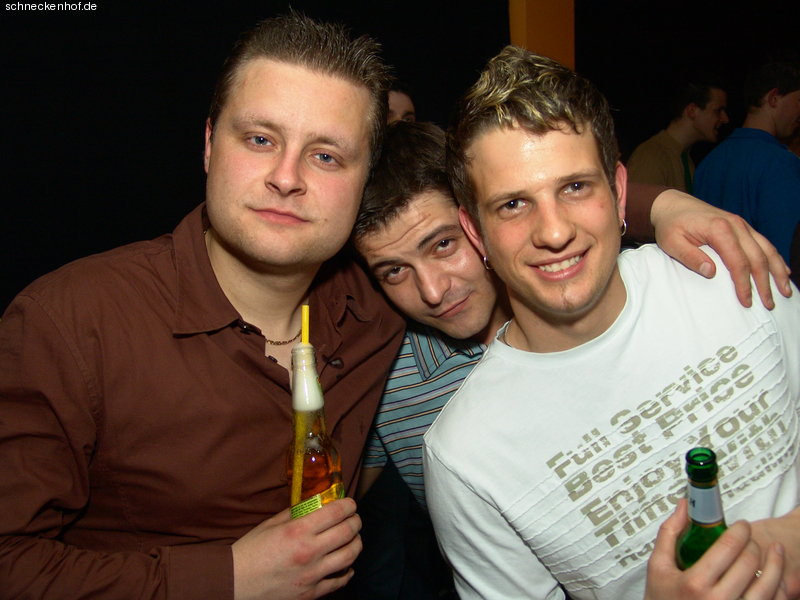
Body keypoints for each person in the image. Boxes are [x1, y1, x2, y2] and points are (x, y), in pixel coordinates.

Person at [0, 13, 407, 600]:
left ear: (365, 181)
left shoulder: (385, 308)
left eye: (326, 156)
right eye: (260, 140)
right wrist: (229, 578)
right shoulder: (72, 322)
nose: (286, 178)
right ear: (211, 145)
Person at [422, 46, 800, 600]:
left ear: (619, 191)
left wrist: (787, 543)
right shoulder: (466, 455)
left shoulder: (731, 277)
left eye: (575, 187)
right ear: (475, 232)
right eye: (513, 205)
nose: (554, 232)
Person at [694, 61, 800, 265]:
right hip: (766, 284)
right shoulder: (782, 164)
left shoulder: (709, 162)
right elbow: (788, 255)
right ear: (774, 98)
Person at [627, 78, 729, 192]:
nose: (725, 119)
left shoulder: (684, 159)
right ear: (692, 111)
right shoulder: (652, 156)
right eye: (718, 111)